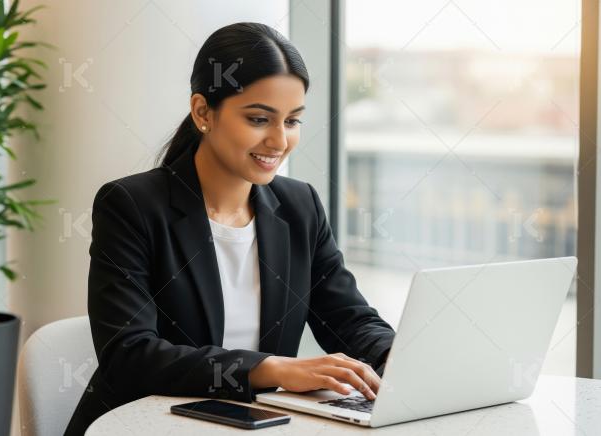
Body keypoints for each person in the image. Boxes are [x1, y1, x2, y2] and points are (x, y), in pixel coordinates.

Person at [64, 22, 396, 435]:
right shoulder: (131, 206)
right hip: (143, 426)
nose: (279, 141)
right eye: (259, 119)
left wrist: (395, 358)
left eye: (293, 121)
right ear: (203, 112)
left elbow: (349, 319)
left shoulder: (300, 206)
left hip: (247, 426)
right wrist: (270, 369)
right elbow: (130, 355)